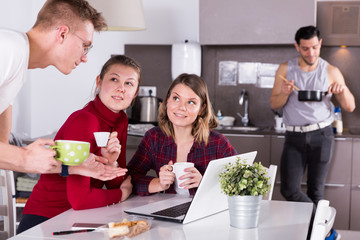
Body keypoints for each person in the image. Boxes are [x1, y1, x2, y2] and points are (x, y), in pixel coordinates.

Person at [0, 0, 123, 180]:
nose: (84, 58)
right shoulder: (8, 49)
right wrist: (24, 156)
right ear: (63, 34)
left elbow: (4, 152)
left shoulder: (16, 69)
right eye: (85, 46)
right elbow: (18, 157)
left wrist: (76, 168)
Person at [17, 55, 140, 233]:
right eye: (114, 79)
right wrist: (123, 194)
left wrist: (111, 163)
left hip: (77, 219)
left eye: (129, 83)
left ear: (135, 93)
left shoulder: (120, 120)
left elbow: (114, 181)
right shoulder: (85, 121)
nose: (121, 89)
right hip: (47, 220)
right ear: (99, 82)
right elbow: (81, 200)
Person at [270, 25, 355, 240]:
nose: (311, 53)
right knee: (289, 189)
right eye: (305, 48)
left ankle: (315, 236)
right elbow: (274, 103)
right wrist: (285, 93)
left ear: (320, 44)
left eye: (315, 47)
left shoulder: (331, 70)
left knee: (316, 192)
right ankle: (328, 229)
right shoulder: (284, 70)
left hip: (322, 135)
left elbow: (350, 106)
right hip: (294, 136)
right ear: (297, 46)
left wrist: (341, 90)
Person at [127, 73, 237, 196]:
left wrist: (204, 183)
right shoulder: (154, 138)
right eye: (176, 98)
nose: (181, 107)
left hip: (204, 213)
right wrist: (159, 183)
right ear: (167, 101)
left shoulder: (218, 144)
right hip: (166, 212)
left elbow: (241, 184)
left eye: (191, 102)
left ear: (201, 109)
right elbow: (128, 180)